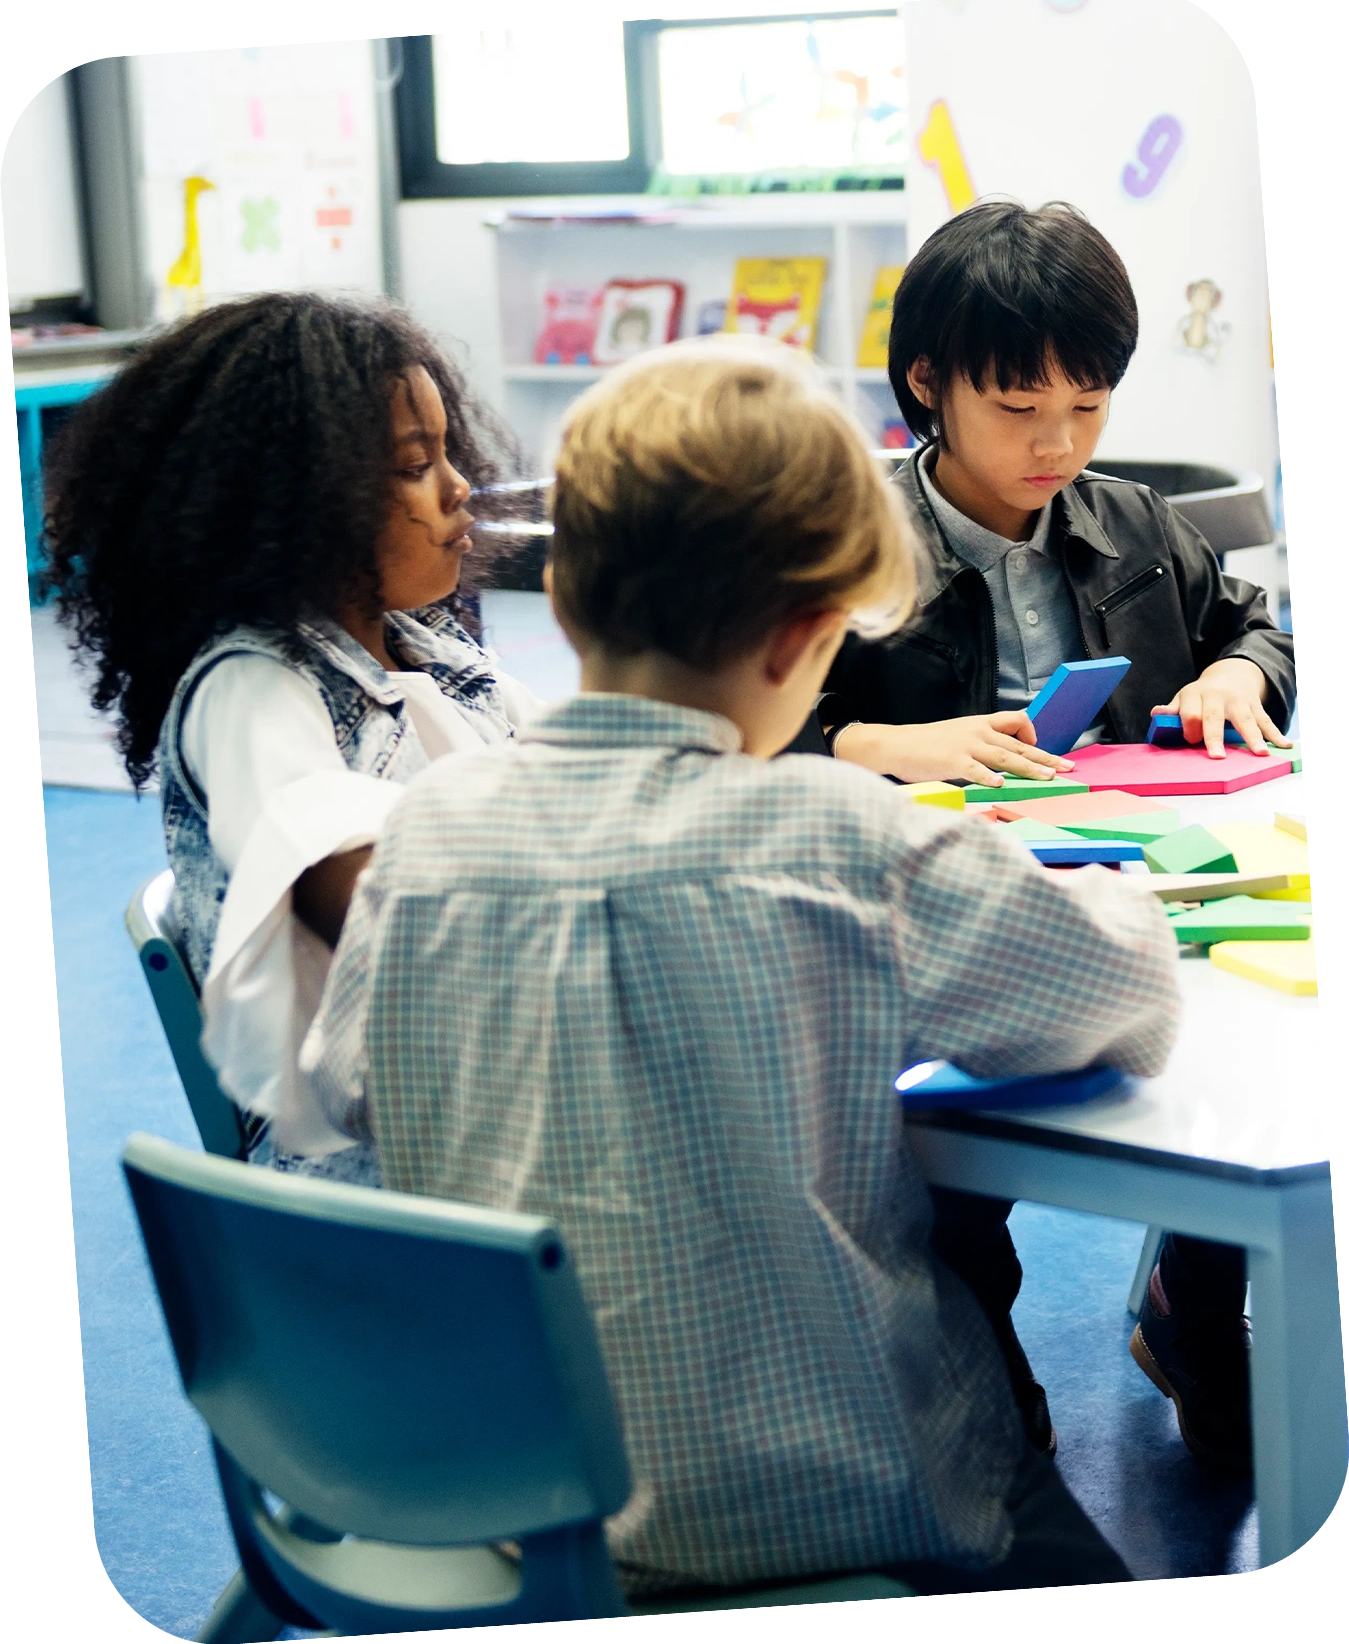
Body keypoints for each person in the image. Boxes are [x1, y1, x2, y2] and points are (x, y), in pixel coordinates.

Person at [304, 338, 1181, 1594]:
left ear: (564, 603)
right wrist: (1109, 893)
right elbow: (1126, 1000)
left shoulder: (430, 830)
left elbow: (348, 1085)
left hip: (526, 1513)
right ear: (806, 639)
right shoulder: (841, 839)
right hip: (851, 1510)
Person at [796, 200, 1292, 1472]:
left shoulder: (1131, 523)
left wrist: (1238, 671)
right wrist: (874, 741)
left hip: (1143, 892)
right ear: (927, 383)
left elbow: (1255, 623)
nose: (1057, 443)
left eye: (1087, 403)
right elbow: (738, 730)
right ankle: (985, 1380)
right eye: (1017, 407)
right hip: (928, 920)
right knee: (942, 1183)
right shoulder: (842, 543)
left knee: (1244, 1083)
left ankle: (1191, 1308)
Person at [44, 293, 540, 1184]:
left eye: (446, 453)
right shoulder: (251, 691)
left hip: (477, 1098)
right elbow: (396, 920)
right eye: (414, 466)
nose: (458, 486)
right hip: (376, 1167)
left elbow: (579, 776)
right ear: (299, 506)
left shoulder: (431, 649)